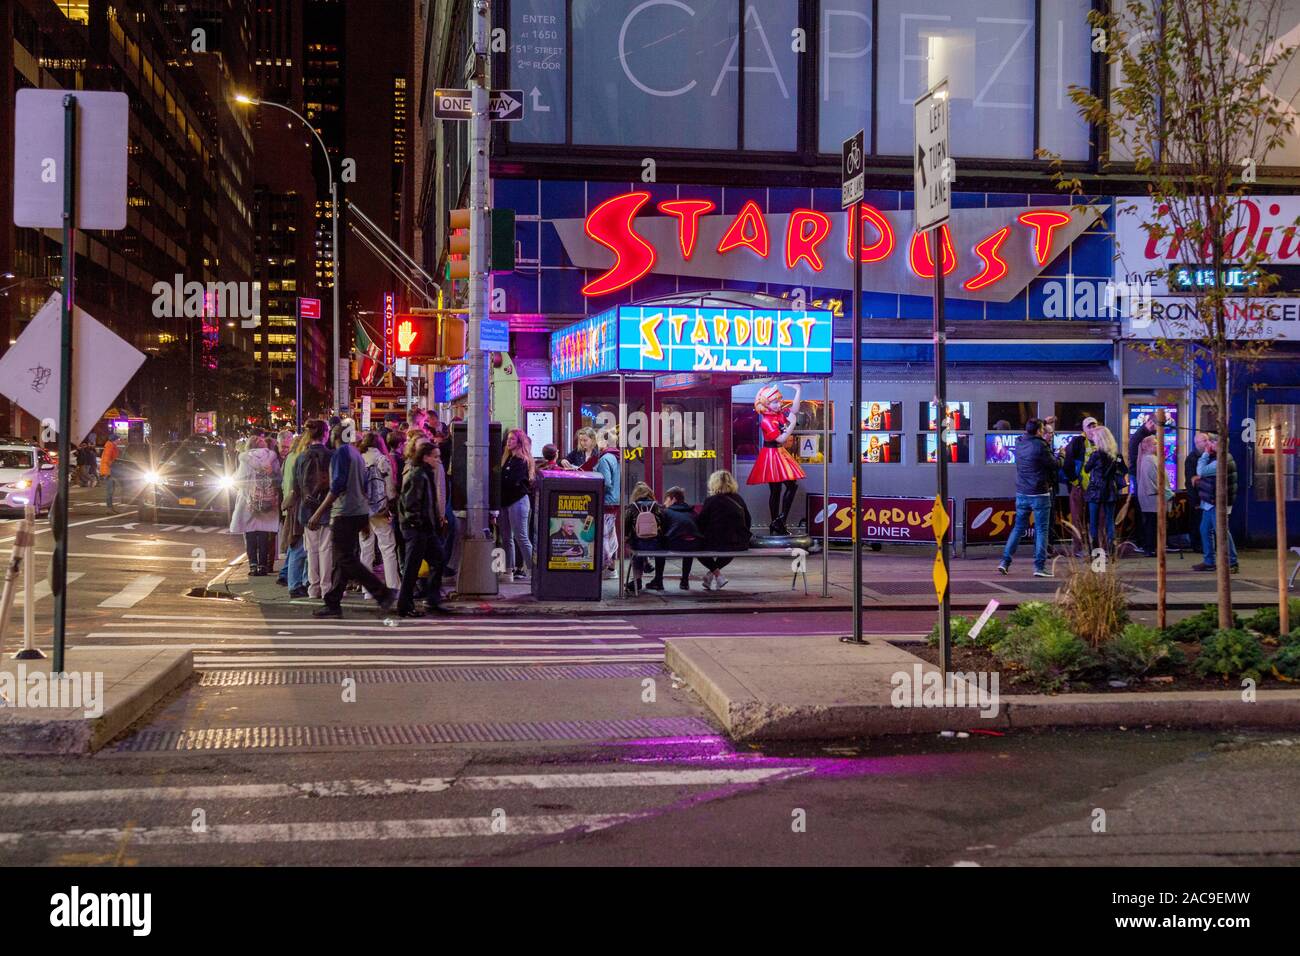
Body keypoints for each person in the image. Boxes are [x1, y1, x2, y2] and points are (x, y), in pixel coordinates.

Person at [308, 424, 395, 618]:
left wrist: (318, 512)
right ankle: (333, 603)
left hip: (344, 512)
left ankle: (382, 593)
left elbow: (337, 485)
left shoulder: (341, 454)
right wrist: (364, 517)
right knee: (344, 560)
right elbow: (364, 486)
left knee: (346, 558)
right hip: (358, 511)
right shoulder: (356, 454)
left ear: (335, 435)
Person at [396, 437, 451, 617]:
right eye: (435, 457)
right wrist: (418, 524)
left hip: (425, 530)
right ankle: (405, 605)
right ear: (426, 457)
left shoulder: (424, 473)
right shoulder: (417, 474)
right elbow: (410, 504)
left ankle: (432, 600)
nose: (438, 460)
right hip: (417, 530)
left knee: (439, 560)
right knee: (412, 568)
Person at [997, 419, 1058, 578]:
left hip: (1022, 493)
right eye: (1043, 428)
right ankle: (1039, 566)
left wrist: (1042, 421)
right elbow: (1055, 464)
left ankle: (1005, 562)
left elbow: (1028, 431)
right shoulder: (1041, 445)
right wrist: (1062, 455)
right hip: (1039, 493)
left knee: (1018, 528)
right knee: (1041, 530)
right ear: (1039, 430)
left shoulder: (1019, 442)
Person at [745, 384, 805, 535]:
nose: (779, 404)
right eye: (775, 402)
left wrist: (798, 390)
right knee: (778, 489)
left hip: (778, 453)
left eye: (779, 401)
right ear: (766, 404)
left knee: (784, 488)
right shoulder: (766, 421)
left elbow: (794, 410)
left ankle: (778, 521)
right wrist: (792, 423)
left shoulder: (777, 414)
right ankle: (778, 522)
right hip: (772, 453)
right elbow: (782, 438)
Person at [290, 420, 334, 600]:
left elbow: (296, 486)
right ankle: (326, 588)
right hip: (326, 508)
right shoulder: (331, 456)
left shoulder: (300, 457)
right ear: (325, 434)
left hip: (307, 509)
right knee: (326, 550)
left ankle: (313, 588)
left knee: (312, 551)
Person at [228, 434, 282, 576]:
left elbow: (239, 479)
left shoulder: (245, 458)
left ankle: (253, 565)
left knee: (250, 533)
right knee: (264, 533)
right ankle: (263, 566)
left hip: (249, 501)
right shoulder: (272, 457)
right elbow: (278, 478)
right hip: (267, 500)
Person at [358, 431, 401, 594]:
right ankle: (392, 586)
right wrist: (389, 505)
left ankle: (367, 590)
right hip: (380, 510)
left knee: (366, 549)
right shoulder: (383, 460)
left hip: (362, 510)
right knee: (388, 548)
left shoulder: (359, 460)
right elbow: (389, 488)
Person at [695, 469, 751, 591]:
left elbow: (701, 522)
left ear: (713, 483)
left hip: (715, 542)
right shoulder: (739, 499)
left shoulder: (711, 501)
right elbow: (748, 520)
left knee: (696, 549)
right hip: (738, 542)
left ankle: (716, 574)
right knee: (729, 551)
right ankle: (713, 575)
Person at [1192, 436, 1239, 573]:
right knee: (1205, 529)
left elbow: (1201, 471)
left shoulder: (1222, 460)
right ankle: (1209, 561)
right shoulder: (1218, 458)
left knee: (1222, 532)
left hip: (1218, 502)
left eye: (1212, 442)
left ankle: (1232, 562)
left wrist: (1205, 454)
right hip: (1210, 502)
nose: (1209, 444)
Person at [499, 428, 536, 581]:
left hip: (518, 501)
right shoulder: (508, 459)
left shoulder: (522, 460)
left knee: (521, 537)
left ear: (519, 442)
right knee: (506, 537)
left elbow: (514, 482)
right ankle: (508, 570)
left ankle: (535, 570)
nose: (508, 441)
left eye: (512, 439)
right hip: (506, 501)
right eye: (508, 439)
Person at [1084, 425, 1128, 554]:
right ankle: (1112, 550)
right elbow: (1124, 469)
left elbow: (1086, 469)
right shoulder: (1117, 455)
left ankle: (1095, 552)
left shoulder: (1096, 455)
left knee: (1094, 522)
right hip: (1110, 489)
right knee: (1109, 521)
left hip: (1095, 489)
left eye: (1094, 437)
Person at [1060, 416, 1099, 557]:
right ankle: (1079, 549)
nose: (1092, 429)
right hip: (1079, 488)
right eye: (1089, 426)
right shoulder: (1077, 442)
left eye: (1094, 426)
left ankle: (1096, 548)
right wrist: (1075, 482)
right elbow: (1068, 464)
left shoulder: (1101, 441)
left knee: (1095, 520)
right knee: (1078, 519)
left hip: (1096, 489)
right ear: (1083, 429)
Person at [279, 431, 310, 597]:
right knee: (298, 547)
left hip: (291, 503)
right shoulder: (300, 459)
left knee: (295, 544)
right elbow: (297, 485)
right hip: (298, 504)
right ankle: (296, 583)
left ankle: (294, 580)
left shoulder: (290, 458)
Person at [652, 485, 702, 591]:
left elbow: (662, 531)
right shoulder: (692, 512)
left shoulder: (667, 512)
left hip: (676, 544)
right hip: (694, 545)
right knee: (688, 542)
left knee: (660, 547)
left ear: (673, 499)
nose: (665, 502)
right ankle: (685, 581)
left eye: (666, 499)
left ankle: (658, 580)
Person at [587, 427, 621, 576]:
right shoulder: (616, 457)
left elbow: (605, 482)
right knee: (611, 535)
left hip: (606, 502)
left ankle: (604, 566)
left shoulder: (605, 459)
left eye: (598, 439)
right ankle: (612, 567)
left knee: (604, 536)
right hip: (614, 501)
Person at [622, 481, 665, 595]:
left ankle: (637, 580)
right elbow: (664, 523)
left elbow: (626, 526)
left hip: (639, 543)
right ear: (649, 492)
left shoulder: (632, 507)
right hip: (656, 544)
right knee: (661, 551)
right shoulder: (656, 506)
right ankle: (659, 579)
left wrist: (626, 538)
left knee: (634, 549)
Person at [1127, 413, 1157, 553]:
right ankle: (1143, 541)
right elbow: (1135, 460)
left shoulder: (1145, 434)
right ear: (1150, 423)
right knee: (1143, 508)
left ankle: (1148, 541)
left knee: (1146, 509)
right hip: (1140, 475)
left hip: (1141, 474)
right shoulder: (1138, 438)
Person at [1136, 434, 1164, 555]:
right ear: (1147, 446)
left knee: (1151, 522)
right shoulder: (1149, 459)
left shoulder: (1151, 458)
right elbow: (1151, 480)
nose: (1157, 446)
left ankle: (1152, 547)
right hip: (1151, 497)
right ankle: (1150, 548)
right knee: (1151, 523)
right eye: (1155, 444)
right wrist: (1161, 491)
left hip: (1151, 495)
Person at [1183, 431, 1208, 554]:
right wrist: (1194, 500)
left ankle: (1203, 545)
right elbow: (1190, 481)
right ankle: (1197, 545)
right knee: (1196, 522)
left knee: (1203, 523)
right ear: (1198, 443)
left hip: (1205, 496)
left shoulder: (1207, 456)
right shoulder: (1192, 459)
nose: (1207, 443)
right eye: (1205, 440)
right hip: (1197, 496)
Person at [99, 436, 119, 510]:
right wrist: (113, 465)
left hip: (109, 471)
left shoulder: (111, 446)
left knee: (111, 490)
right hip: (108, 472)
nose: (119, 441)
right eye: (118, 440)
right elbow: (107, 460)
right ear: (114, 440)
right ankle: (109, 508)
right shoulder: (110, 446)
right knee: (110, 490)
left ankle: (110, 507)